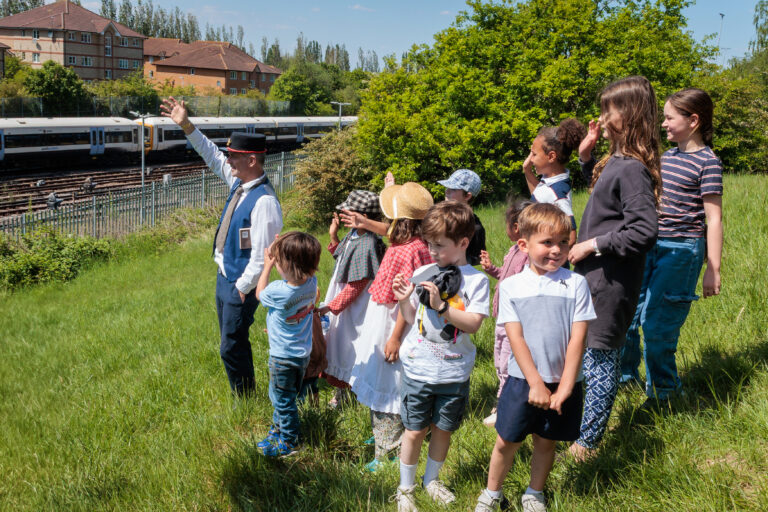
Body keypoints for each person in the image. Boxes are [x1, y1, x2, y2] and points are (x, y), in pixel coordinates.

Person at [473, 203, 595, 512]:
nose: (556, 250)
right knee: (506, 440)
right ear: (524, 245)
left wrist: (566, 386)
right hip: (522, 380)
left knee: (546, 440)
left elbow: (578, 338)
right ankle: (492, 493)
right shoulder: (512, 286)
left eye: (563, 243)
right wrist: (535, 384)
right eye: (547, 243)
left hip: (563, 382)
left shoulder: (576, 284)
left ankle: (534, 493)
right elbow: (516, 338)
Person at [160, 97, 283, 397]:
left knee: (230, 345)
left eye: (234, 157)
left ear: (251, 160)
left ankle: (246, 398)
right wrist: (187, 126)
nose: (228, 161)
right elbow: (212, 155)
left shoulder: (264, 201)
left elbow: (263, 255)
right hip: (224, 277)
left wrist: (241, 288)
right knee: (232, 341)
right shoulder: (240, 183)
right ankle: (245, 393)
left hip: (239, 283)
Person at [567, 76, 661, 460]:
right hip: (593, 279)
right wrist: (586, 159)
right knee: (588, 354)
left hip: (610, 282)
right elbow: (607, 206)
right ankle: (577, 426)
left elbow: (644, 230)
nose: (602, 118)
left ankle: (588, 444)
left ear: (632, 114)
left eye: (610, 110)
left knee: (602, 358)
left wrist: (592, 244)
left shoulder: (632, 169)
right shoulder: (617, 163)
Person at [620, 88, 723, 400]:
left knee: (656, 327)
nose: (663, 123)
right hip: (649, 245)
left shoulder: (708, 162)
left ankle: (664, 395)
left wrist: (713, 269)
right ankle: (626, 379)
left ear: (693, 120)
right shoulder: (667, 157)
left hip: (681, 251)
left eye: (669, 118)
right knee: (627, 317)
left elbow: (714, 219)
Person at [391, 201, 490, 511]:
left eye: (439, 245)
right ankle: (405, 488)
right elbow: (412, 318)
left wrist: (443, 308)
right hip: (419, 368)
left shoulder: (477, 281)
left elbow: (473, 324)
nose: (431, 251)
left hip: (454, 372)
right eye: (429, 243)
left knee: (444, 430)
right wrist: (404, 301)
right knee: (415, 430)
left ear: (463, 242)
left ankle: (430, 479)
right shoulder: (423, 271)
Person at [349, 182, 434, 472]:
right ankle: (385, 438)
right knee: (393, 382)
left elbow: (406, 299)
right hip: (396, 320)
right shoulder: (418, 244)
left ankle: (387, 451)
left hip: (394, 323)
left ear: (400, 222)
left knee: (389, 383)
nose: (386, 222)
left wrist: (395, 338)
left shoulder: (405, 251)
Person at [254, 231, 322, 457]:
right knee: (286, 396)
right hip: (301, 354)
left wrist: (266, 267)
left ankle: (290, 441)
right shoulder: (311, 283)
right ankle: (279, 429)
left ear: (288, 265)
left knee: (282, 400)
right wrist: (281, 246)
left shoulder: (278, 291)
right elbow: (300, 262)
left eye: (279, 261)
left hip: (282, 357)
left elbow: (259, 293)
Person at [317, 190, 386, 408]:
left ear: (363, 215)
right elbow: (343, 259)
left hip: (354, 309)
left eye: (349, 210)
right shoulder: (355, 234)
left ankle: (349, 394)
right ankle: (343, 392)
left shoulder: (368, 242)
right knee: (339, 346)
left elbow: (357, 285)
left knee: (349, 347)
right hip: (342, 304)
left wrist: (330, 307)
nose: (344, 213)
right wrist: (333, 237)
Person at [479, 198, 531, 427]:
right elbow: (506, 277)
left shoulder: (528, 254)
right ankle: (503, 403)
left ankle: (505, 408)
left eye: (507, 224)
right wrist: (492, 269)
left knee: (509, 363)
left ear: (516, 226)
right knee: (499, 361)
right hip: (503, 318)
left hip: (514, 321)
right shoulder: (514, 250)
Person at [522, 119, 587, 247]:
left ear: (551, 157)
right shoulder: (551, 181)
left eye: (534, 154)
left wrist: (549, 254)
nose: (531, 159)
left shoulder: (558, 194)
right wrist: (527, 170)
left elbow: (571, 236)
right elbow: (539, 195)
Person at [437, 169, 487, 266]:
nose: (446, 191)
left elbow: (473, 262)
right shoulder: (440, 216)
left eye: (453, 189)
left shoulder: (475, 229)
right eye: (447, 187)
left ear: (467, 196)